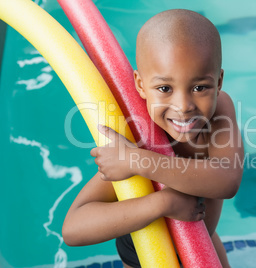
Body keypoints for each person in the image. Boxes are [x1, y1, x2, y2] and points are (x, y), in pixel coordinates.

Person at [62, 9, 244, 268]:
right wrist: (162, 203)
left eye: (200, 87)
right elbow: (73, 228)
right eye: (164, 88)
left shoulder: (219, 113)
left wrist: (139, 162)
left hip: (203, 248)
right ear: (140, 84)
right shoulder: (138, 134)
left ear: (219, 82)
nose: (183, 105)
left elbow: (227, 180)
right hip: (146, 261)